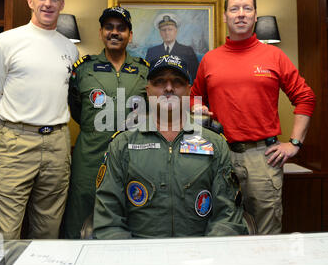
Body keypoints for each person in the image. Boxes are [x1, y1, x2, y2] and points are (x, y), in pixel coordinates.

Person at [191, 0, 316, 235]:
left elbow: (306, 97)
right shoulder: (210, 59)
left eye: (247, 8)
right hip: (219, 157)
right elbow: (194, 99)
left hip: (263, 158)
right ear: (225, 15)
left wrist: (294, 143)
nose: (241, 14)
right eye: (234, 8)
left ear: (255, 15)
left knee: (266, 234)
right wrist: (199, 111)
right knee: (221, 228)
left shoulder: (274, 56)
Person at [93, 55, 248, 239]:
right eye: (160, 82)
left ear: (189, 90)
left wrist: (207, 257)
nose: (168, 88)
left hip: (199, 253)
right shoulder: (122, 144)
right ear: (148, 91)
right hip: (139, 254)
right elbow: (108, 219)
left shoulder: (215, 143)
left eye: (177, 82)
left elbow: (228, 216)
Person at [0, 0, 79, 239]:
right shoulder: (4, 42)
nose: (48, 3)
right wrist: (11, 130)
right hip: (16, 142)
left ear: (61, 4)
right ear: (30, 1)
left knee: (49, 227)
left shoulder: (69, 50)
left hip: (58, 143)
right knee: (5, 227)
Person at [61, 7, 150, 239]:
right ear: (101, 32)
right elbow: (76, 110)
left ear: (130, 35)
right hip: (90, 156)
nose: (114, 32)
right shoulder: (83, 69)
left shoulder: (144, 71)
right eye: (109, 27)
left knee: (134, 213)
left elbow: (152, 113)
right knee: (79, 216)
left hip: (134, 157)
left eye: (121, 28)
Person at [145, 13, 199, 83]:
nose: (167, 33)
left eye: (170, 29)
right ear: (160, 32)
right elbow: (146, 76)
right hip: (157, 92)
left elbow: (196, 77)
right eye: (163, 30)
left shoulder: (187, 51)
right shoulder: (152, 51)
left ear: (176, 31)